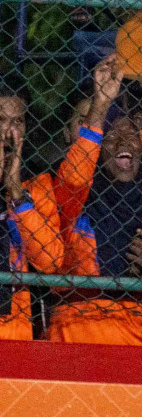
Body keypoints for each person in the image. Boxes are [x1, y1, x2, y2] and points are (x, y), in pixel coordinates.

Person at [50, 57, 142, 346]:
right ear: (98, 147)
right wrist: (100, 104)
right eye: (111, 135)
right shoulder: (76, 198)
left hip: (136, 340)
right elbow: (77, 175)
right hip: (75, 333)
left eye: (131, 133)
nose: (124, 142)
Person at [0, 84, 63, 341]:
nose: (8, 132)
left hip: (15, 333)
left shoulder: (37, 184)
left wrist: (16, 192)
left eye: (17, 121)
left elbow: (51, 261)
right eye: (0, 120)